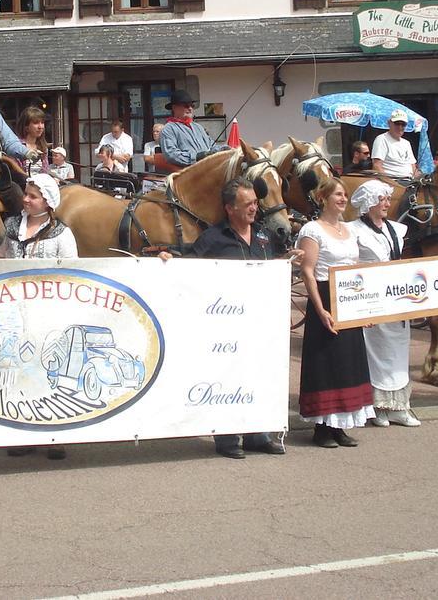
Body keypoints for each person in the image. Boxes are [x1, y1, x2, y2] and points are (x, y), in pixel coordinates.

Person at [178, 178, 288, 459]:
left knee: (258, 375)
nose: (254, 208)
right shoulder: (213, 238)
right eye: (248, 204)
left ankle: (258, 435)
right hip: (224, 325)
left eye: (255, 202)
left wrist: (288, 261)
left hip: (259, 322)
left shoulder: (264, 236)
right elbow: (188, 266)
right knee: (227, 377)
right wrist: (169, 258)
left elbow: (275, 266)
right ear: (229, 208)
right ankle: (227, 437)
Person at [0, 173, 77, 460]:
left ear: (47, 202)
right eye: (26, 194)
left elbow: (72, 272)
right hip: (15, 310)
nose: (26, 199)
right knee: (19, 370)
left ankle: (55, 434)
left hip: (49, 312)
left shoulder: (61, 233)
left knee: (49, 370)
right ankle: (22, 432)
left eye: (33, 196)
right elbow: (2, 256)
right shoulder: (12, 226)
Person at [297, 175, 374, 448]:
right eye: (337, 195)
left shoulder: (349, 230)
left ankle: (341, 425)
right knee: (326, 363)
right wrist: (320, 310)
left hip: (348, 299)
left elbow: (355, 269)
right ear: (323, 198)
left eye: (344, 195)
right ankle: (322, 428)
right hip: (325, 299)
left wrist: (363, 309)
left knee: (347, 363)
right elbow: (307, 271)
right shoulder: (312, 229)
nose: (343, 199)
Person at [347, 180, 419, 427]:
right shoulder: (353, 230)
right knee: (375, 352)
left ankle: (399, 405)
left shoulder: (396, 230)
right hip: (371, 300)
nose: (387, 203)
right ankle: (378, 406)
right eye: (382, 200)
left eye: (388, 199)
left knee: (398, 351)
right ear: (369, 204)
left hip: (396, 299)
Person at [159, 90, 224, 168]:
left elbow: (212, 145)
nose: (190, 108)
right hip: (188, 173)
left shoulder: (198, 127)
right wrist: (196, 157)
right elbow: (171, 154)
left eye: (192, 105)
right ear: (174, 108)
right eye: (186, 105)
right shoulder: (169, 129)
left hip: (208, 169)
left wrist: (224, 149)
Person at [370, 111, 420, 181]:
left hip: (409, 182)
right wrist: (390, 182)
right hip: (392, 182)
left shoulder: (407, 143)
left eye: (403, 124)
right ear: (389, 123)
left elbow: (413, 166)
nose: (400, 127)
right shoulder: (381, 139)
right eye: (397, 123)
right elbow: (377, 166)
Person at [15, 106, 50, 174]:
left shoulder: (43, 147)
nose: (40, 127)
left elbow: (45, 171)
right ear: (26, 127)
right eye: (36, 123)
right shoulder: (18, 146)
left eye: (42, 122)